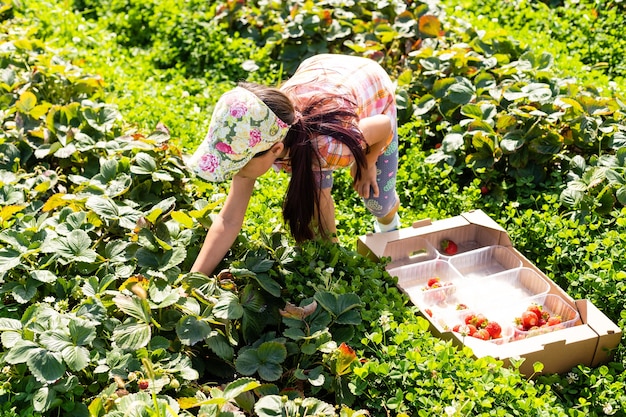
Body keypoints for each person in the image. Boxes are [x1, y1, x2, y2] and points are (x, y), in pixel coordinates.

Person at [187, 54, 400, 276]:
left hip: (372, 88)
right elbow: (228, 219)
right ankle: (330, 254)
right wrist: (194, 280)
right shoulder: (270, 128)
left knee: (378, 202)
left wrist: (367, 162)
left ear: (276, 150)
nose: (234, 171)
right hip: (323, 75)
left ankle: (389, 225)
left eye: (238, 163)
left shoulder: (333, 147)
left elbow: (384, 126)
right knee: (315, 182)